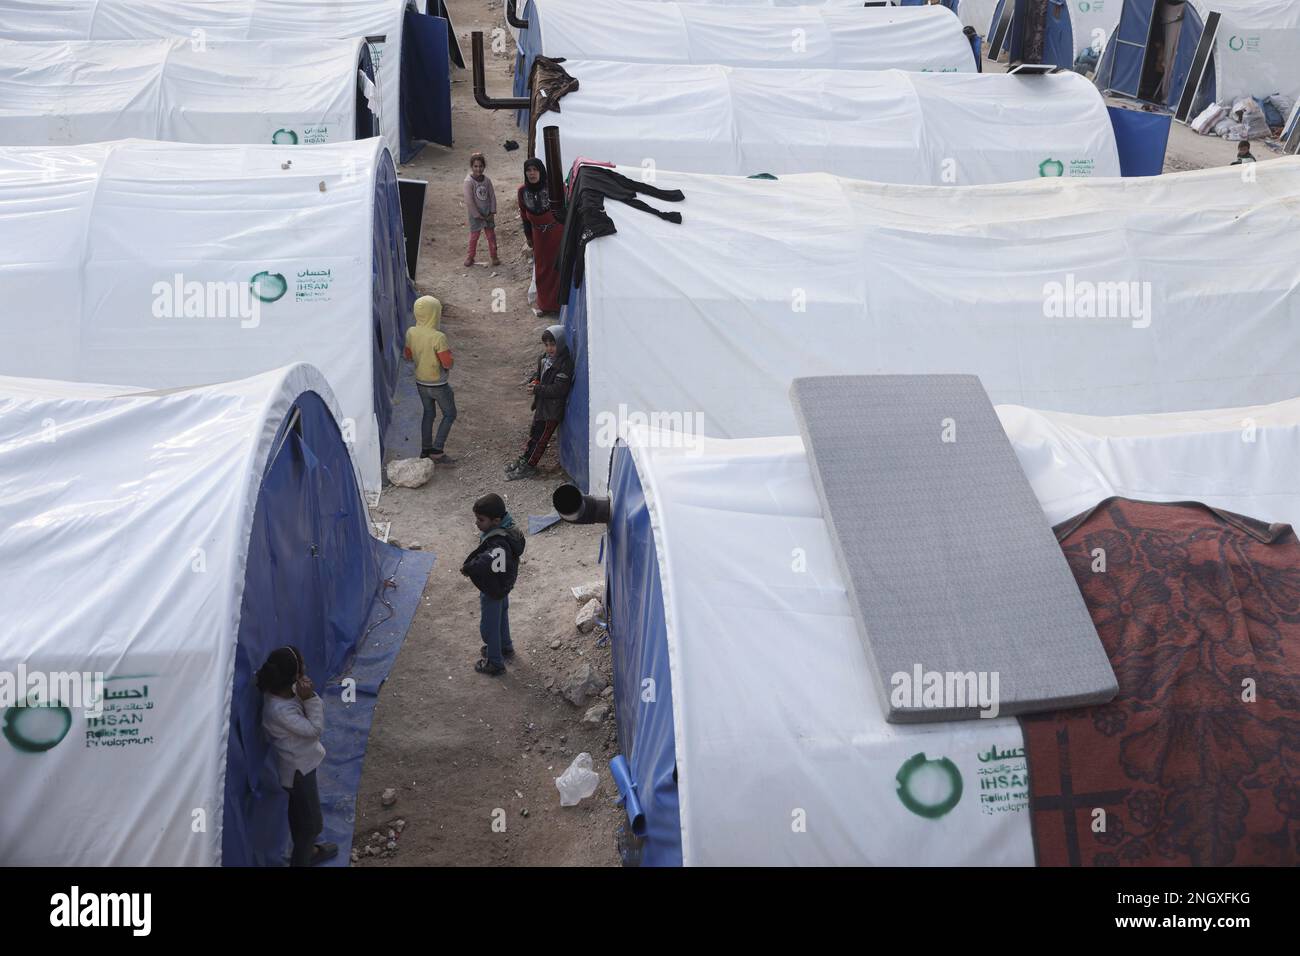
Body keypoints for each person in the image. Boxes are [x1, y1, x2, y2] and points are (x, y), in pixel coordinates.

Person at [258, 646, 338, 867]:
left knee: (299, 817)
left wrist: (305, 697)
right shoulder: (280, 711)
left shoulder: (283, 693)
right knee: (311, 824)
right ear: (294, 676)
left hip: (300, 768)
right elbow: (314, 729)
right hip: (298, 772)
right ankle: (302, 859)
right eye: (302, 668)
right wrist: (310, 698)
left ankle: (308, 850)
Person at [461, 493, 526, 676]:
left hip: (493, 587)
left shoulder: (498, 542)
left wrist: (469, 568)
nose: (476, 523)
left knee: (489, 626)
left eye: (480, 520)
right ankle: (505, 647)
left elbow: (486, 561)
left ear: (496, 520)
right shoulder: (510, 530)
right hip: (503, 585)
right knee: (501, 616)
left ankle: (495, 662)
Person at [507, 325, 573, 480]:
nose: (550, 348)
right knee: (534, 435)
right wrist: (534, 381)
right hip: (542, 406)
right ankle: (525, 459)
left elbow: (559, 390)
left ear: (561, 343)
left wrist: (537, 389)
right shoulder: (544, 359)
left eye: (553, 344)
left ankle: (530, 466)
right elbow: (539, 376)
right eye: (547, 345)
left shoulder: (565, 364)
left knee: (541, 439)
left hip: (552, 410)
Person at [403, 295, 456, 463]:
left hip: (420, 382)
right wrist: (451, 358)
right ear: (435, 314)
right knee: (449, 413)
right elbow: (447, 364)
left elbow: (408, 355)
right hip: (439, 384)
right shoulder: (438, 337)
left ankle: (425, 449)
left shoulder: (411, 332)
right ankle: (437, 449)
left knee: (428, 414)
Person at [517, 157, 563, 315]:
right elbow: (524, 215)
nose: (531, 173)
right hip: (538, 236)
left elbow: (566, 206)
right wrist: (528, 236)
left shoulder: (553, 187)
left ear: (541, 171)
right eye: (528, 170)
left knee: (557, 267)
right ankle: (544, 305)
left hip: (556, 234)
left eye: (535, 170)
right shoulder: (522, 191)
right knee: (542, 269)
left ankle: (559, 305)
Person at [463, 151, 499, 267]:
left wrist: (492, 211)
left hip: (487, 213)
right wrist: (476, 214)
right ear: (471, 166)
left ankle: (494, 256)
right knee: (474, 237)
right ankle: (470, 256)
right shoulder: (469, 182)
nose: (478, 169)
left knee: (491, 236)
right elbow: (469, 200)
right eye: (475, 166)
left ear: (484, 166)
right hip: (475, 215)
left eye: (481, 166)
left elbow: (492, 196)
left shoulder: (487, 181)